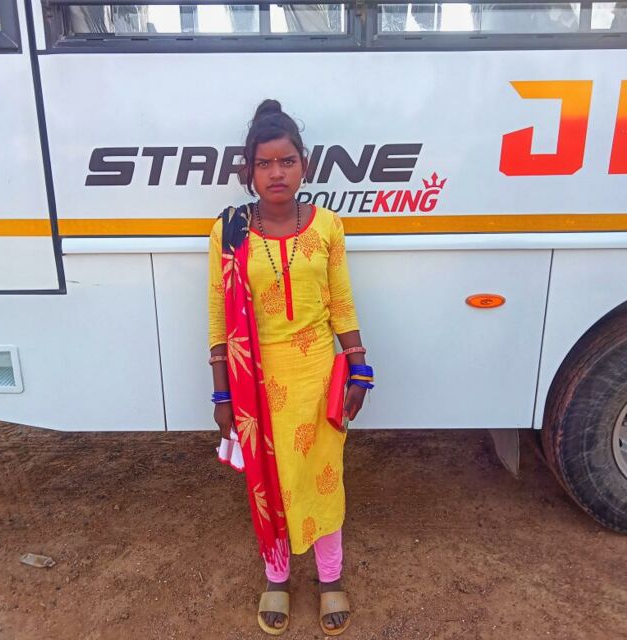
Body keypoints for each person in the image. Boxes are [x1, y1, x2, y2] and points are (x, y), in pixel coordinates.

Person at [207, 99, 374, 636]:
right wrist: (222, 395)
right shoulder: (230, 231)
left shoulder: (327, 226)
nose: (276, 172)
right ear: (248, 171)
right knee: (270, 484)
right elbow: (218, 316)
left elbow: (341, 303)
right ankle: (276, 575)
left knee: (325, 481)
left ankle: (330, 578)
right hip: (255, 386)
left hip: (318, 378)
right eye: (264, 163)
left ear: (305, 165)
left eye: (287, 161)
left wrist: (359, 369)